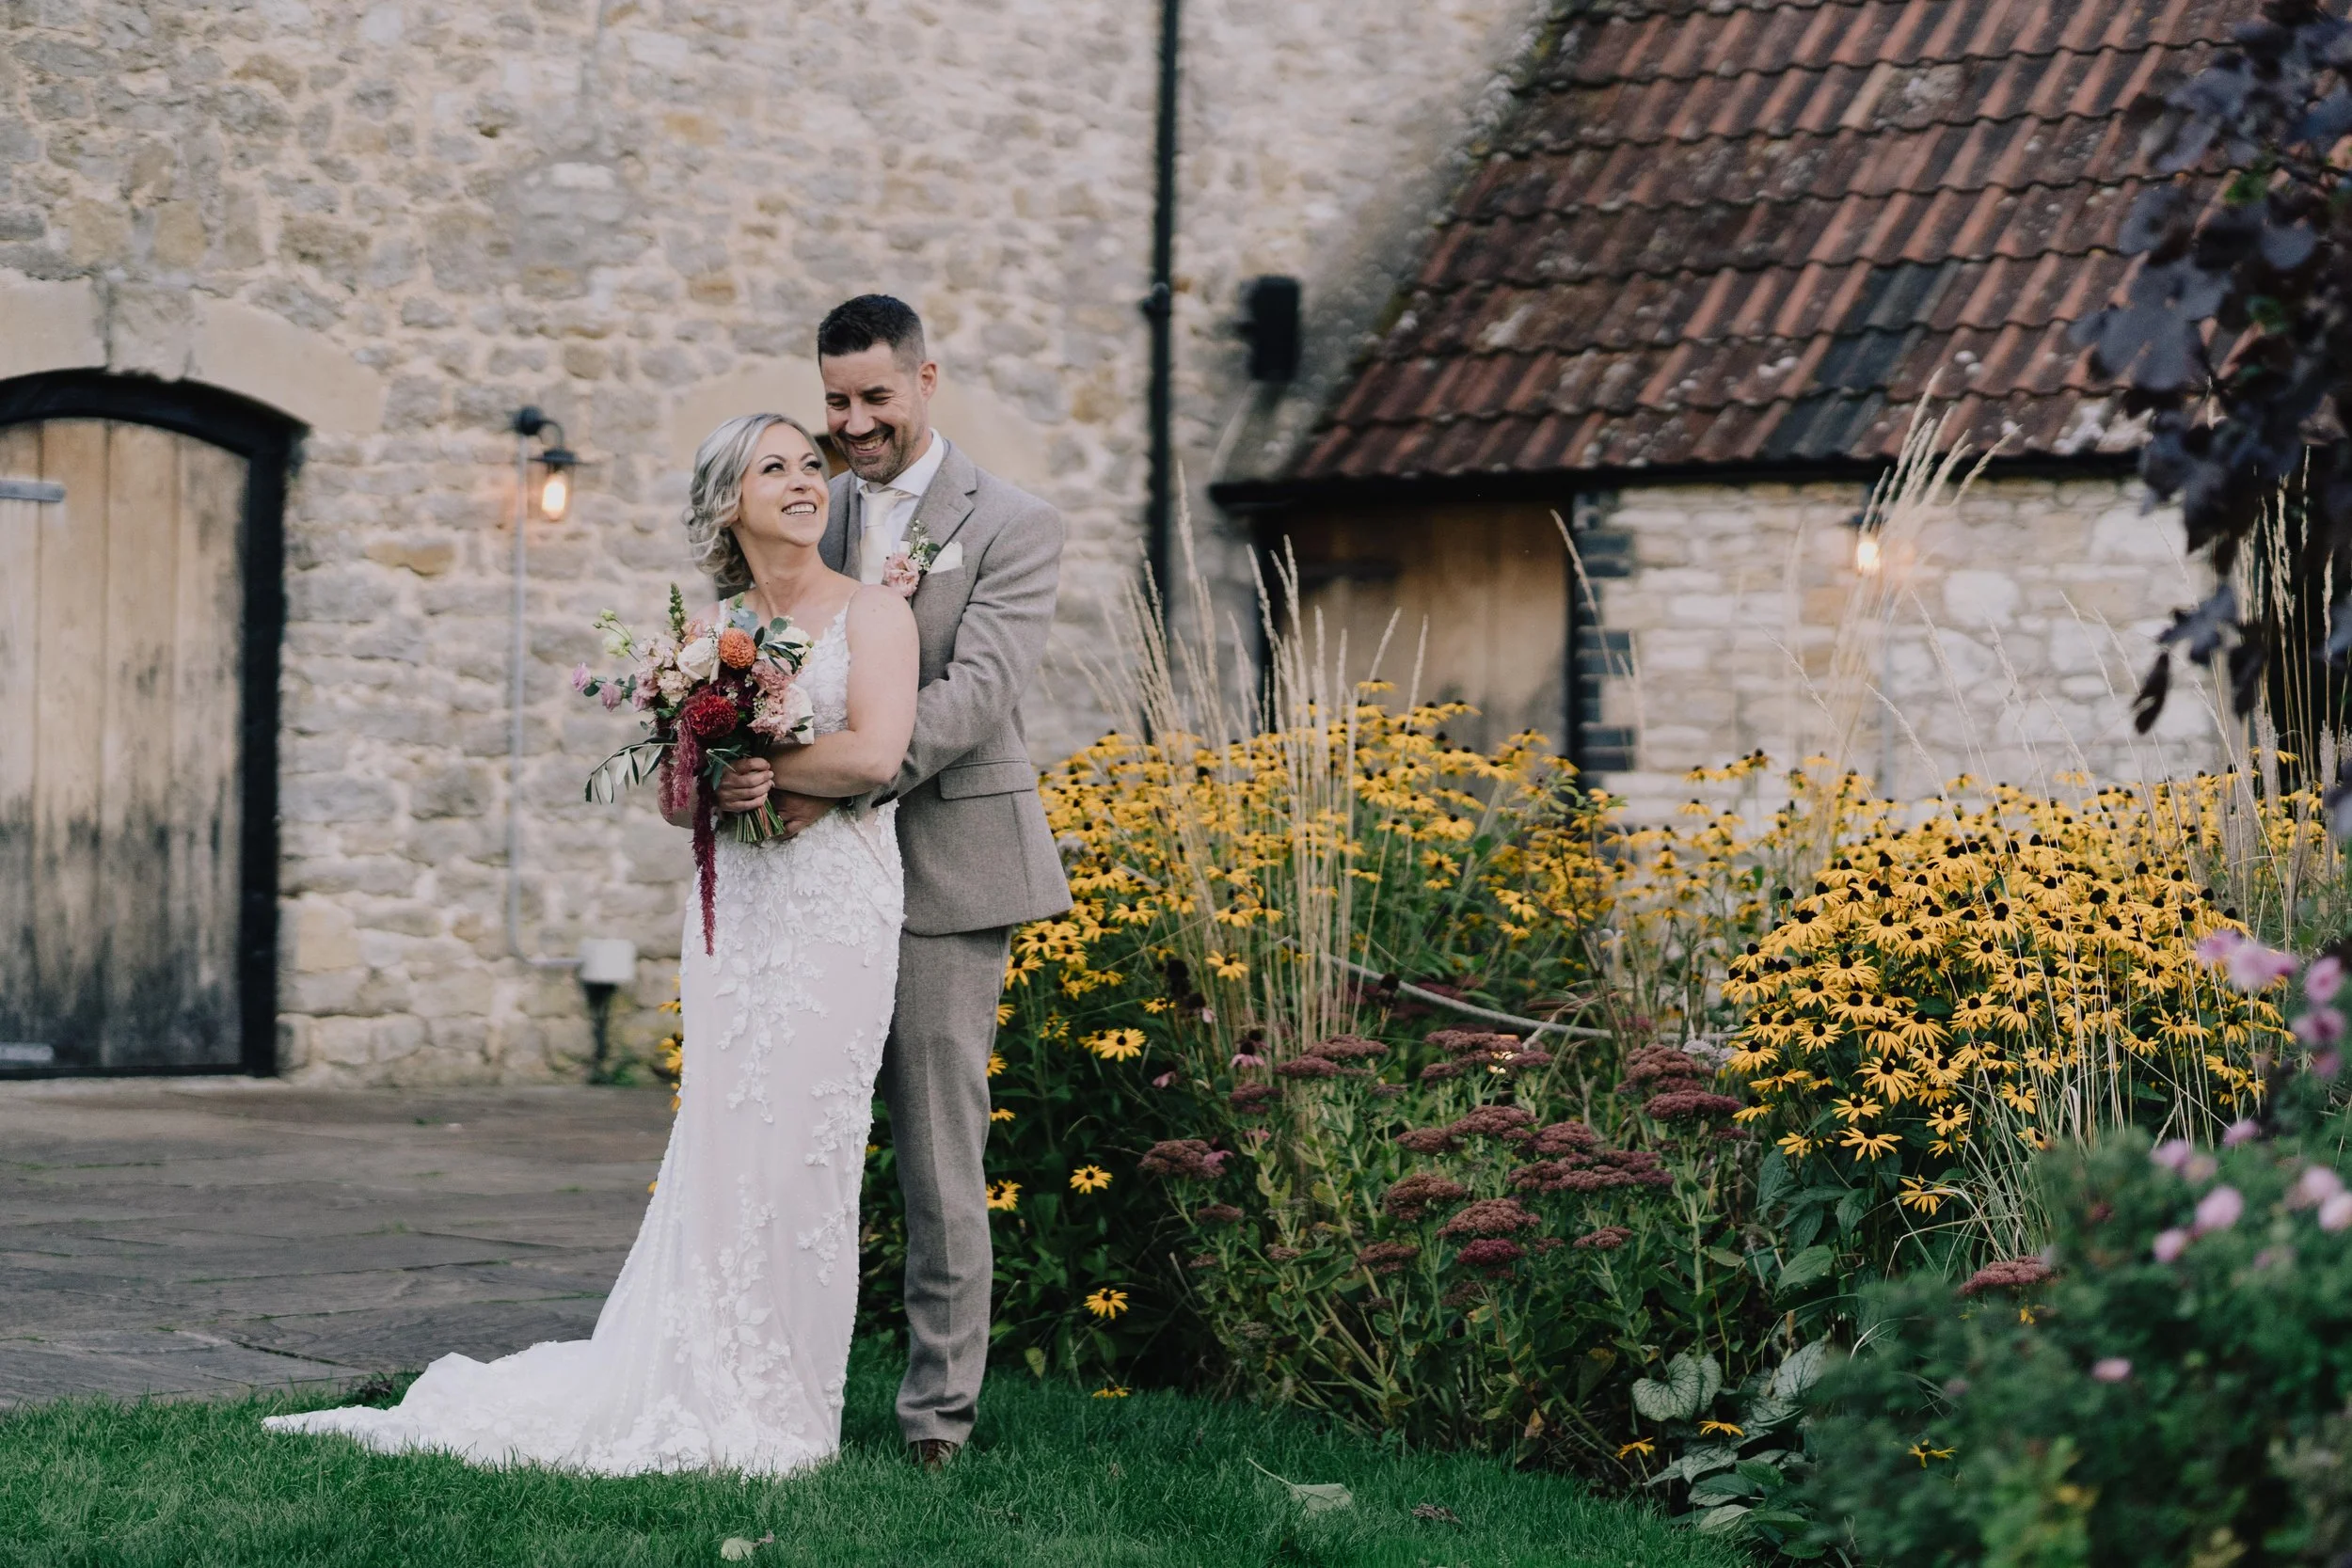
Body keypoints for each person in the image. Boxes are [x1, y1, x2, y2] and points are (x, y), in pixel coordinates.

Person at [262, 413, 922, 1474]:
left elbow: (876, 751)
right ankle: (701, 1370)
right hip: (738, 906)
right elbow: (674, 794)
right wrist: (718, 777)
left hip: (835, 906)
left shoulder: (877, 613)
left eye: (813, 465)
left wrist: (769, 770)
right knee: (721, 1135)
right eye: (776, 468)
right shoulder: (709, 636)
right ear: (729, 502)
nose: (805, 480)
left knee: (809, 1148)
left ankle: (789, 1406)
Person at [760, 293, 1072, 1468]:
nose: (852, 424)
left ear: (926, 380)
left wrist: (837, 771)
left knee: (941, 1156)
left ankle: (936, 1420)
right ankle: (787, 1383)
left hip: (947, 864)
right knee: (798, 1129)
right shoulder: (807, 502)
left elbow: (980, 693)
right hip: (813, 867)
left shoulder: (1016, 522)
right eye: (835, 401)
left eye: (874, 398)